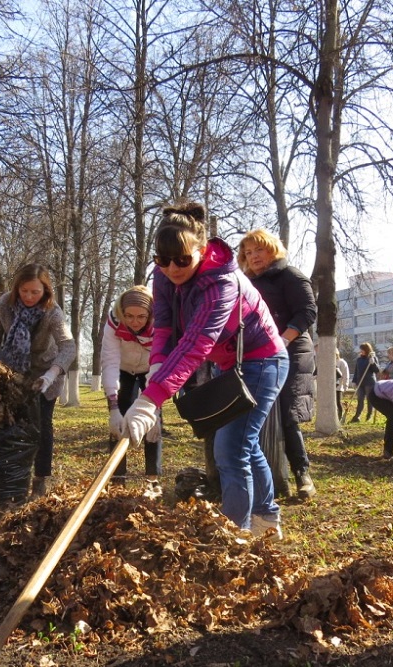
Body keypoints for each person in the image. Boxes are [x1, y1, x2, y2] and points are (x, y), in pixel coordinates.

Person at [121, 201, 289, 538]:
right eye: (163, 260)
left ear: (202, 249)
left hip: (264, 360)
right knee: (246, 444)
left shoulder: (221, 282)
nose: (172, 268)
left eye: (182, 260)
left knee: (230, 449)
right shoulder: (164, 275)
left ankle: (233, 533)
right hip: (231, 365)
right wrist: (156, 367)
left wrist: (151, 399)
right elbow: (166, 326)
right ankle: (266, 519)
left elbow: (196, 344)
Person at [0, 263, 76, 499]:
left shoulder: (53, 312)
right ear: (17, 289)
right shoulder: (4, 305)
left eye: (36, 292)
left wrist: (51, 375)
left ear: (46, 291)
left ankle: (40, 479)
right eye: (25, 291)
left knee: (42, 427)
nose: (30, 296)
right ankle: (12, 478)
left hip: (45, 375)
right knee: (9, 427)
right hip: (12, 373)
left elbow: (68, 346)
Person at [238, 229, 318, 499]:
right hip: (257, 354)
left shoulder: (290, 276)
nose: (253, 256)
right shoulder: (246, 282)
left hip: (292, 350)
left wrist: (282, 340)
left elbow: (307, 311)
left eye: (258, 250)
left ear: (272, 250)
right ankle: (261, 477)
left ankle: (302, 474)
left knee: (286, 414)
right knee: (252, 415)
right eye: (248, 252)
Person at [100, 286, 162, 499]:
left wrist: (154, 407)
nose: (135, 322)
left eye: (141, 317)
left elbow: (159, 364)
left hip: (149, 369)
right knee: (119, 424)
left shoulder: (160, 324)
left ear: (150, 314)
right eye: (129, 316)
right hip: (123, 370)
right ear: (122, 313)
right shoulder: (114, 322)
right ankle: (118, 480)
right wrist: (114, 407)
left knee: (152, 424)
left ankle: (152, 481)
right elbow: (109, 362)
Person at [349, 342, 379, 422]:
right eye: (360, 349)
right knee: (360, 399)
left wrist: (373, 363)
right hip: (360, 383)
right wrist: (354, 381)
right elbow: (356, 371)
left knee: (370, 399)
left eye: (362, 349)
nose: (361, 351)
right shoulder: (359, 359)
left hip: (369, 383)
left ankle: (369, 415)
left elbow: (377, 370)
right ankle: (357, 416)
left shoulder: (372, 358)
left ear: (367, 350)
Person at [335, 349, 350, 423]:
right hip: (330, 387)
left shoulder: (342, 362)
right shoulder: (328, 362)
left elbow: (345, 374)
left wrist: (345, 385)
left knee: (338, 402)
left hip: (338, 387)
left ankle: (340, 417)